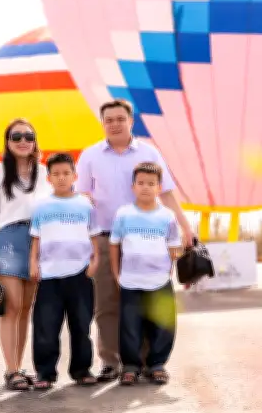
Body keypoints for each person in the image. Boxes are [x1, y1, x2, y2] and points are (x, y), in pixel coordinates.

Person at [75, 98, 194, 382]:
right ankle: (111, 362)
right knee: (107, 303)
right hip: (105, 239)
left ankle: (147, 363)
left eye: (120, 119)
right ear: (102, 123)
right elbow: (81, 197)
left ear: (131, 121)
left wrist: (185, 226)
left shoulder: (149, 153)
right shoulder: (90, 156)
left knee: (147, 301)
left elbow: (166, 192)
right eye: (109, 120)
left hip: (147, 240)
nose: (114, 124)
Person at [0, 118, 51, 391]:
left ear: (35, 142)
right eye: (17, 136)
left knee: (25, 309)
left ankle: (18, 367)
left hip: (37, 240)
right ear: (7, 142)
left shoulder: (44, 173)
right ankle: (11, 370)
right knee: (12, 306)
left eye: (28, 136)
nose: (23, 141)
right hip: (8, 239)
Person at [28, 153, 100, 390]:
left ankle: (82, 370)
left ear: (75, 176)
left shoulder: (85, 205)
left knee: (81, 326)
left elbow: (94, 236)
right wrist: (33, 263)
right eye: (56, 174)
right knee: (46, 327)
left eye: (66, 173)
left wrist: (95, 260)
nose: (61, 178)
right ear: (48, 178)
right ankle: (45, 373)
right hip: (49, 276)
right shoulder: (41, 206)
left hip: (80, 273)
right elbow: (36, 238)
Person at [109, 162, 180, 386]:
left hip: (160, 281)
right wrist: (116, 274)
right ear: (133, 187)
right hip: (130, 281)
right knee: (130, 325)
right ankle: (131, 367)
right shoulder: (123, 214)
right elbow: (114, 245)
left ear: (159, 187)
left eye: (151, 183)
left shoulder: (168, 216)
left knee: (162, 324)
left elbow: (173, 246)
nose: (145, 187)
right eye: (140, 183)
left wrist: (168, 271)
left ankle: (157, 365)